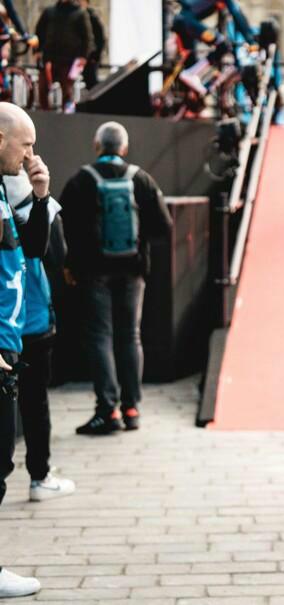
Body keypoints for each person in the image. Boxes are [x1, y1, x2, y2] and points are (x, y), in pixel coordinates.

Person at [60, 122, 173, 435]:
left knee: (100, 336)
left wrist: (73, 263)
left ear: (97, 146)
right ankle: (132, 408)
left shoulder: (82, 180)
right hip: (133, 271)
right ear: (124, 148)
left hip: (94, 274)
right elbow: (163, 226)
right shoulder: (141, 179)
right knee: (130, 336)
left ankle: (107, 410)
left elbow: (64, 226)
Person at [0, 102, 54, 599]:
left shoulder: (4, 190)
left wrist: (39, 197)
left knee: (1, 461)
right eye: (26, 144)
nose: (31, 154)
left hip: (12, 343)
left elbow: (30, 253)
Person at [4, 169, 74, 502]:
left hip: (8, 325)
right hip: (32, 320)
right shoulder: (40, 208)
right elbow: (57, 255)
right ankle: (39, 476)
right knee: (36, 403)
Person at [171, 0, 257, 96]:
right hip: (186, 22)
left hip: (184, 21)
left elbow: (237, 16)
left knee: (191, 66)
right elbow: (236, 14)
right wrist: (251, 42)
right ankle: (190, 73)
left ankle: (190, 101)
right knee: (223, 45)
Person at [35, 0, 94, 113]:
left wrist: (83, 57)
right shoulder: (49, 12)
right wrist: (37, 51)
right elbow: (39, 32)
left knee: (67, 91)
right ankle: (45, 114)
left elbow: (87, 38)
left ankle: (67, 116)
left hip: (69, 61)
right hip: (49, 59)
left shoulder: (79, 13)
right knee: (42, 88)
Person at [79, 0, 106, 90]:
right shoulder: (75, 17)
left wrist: (96, 56)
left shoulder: (92, 17)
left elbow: (100, 38)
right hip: (79, 57)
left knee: (91, 82)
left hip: (90, 58)